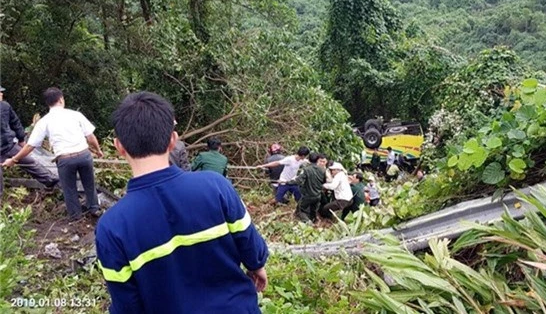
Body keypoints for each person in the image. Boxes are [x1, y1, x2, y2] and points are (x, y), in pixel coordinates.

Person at [96, 91, 268, 313]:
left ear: (119, 146)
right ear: (172, 140)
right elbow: (248, 241)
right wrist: (257, 266)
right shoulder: (216, 186)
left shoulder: (111, 227)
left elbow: (127, 305)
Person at [2, 87, 103, 220]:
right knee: (89, 183)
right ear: (61, 99)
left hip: (65, 160)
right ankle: (94, 209)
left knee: (69, 189)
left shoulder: (44, 121)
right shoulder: (75, 115)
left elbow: (30, 146)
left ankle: (76, 217)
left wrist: (14, 159)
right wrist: (98, 150)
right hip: (84, 155)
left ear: (48, 103)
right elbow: (90, 137)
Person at [0, 85, 59, 201]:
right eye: (0, 93)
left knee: (30, 162)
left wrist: (21, 140)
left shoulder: (5, 106)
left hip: (8, 145)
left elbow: (15, 122)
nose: (1, 94)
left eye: (1, 92)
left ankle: (51, 181)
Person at [293, 152, 327, 223]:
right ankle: (314, 221)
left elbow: (299, 180)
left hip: (308, 195)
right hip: (318, 195)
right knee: (313, 211)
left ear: (308, 159)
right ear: (318, 160)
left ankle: (308, 223)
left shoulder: (306, 170)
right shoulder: (323, 170)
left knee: (302, 210)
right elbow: (324, 181)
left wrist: (288, 182)